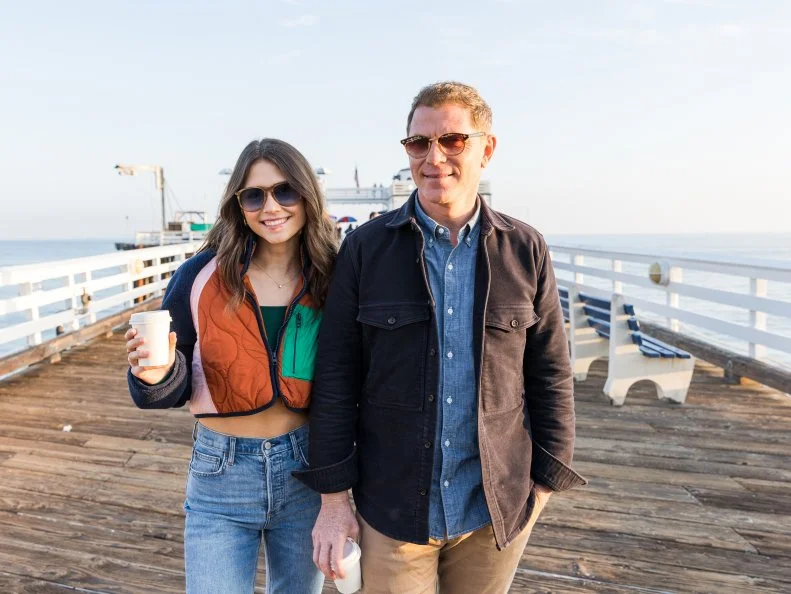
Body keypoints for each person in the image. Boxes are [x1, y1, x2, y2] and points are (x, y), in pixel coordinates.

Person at [295, 82, 586, 593]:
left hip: (495, 510)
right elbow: (336, 377)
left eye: (453, 140)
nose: (434, 158)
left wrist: (544, 484)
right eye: (418, 143)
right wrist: (334, 500)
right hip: (393, 507)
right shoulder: (365, 249)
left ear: (485, 149)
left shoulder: (526, 248)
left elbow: (550, 372)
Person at [125, 138, 336, 593]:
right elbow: (173, 379)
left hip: (306, 469)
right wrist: (153, 376)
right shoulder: (198, 276)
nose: (271, 206)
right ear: (238, 206)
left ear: (307, 195)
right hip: (220, 473)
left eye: (285, 191)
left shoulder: (332, 276)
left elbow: (350, 379)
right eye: (254, 195)